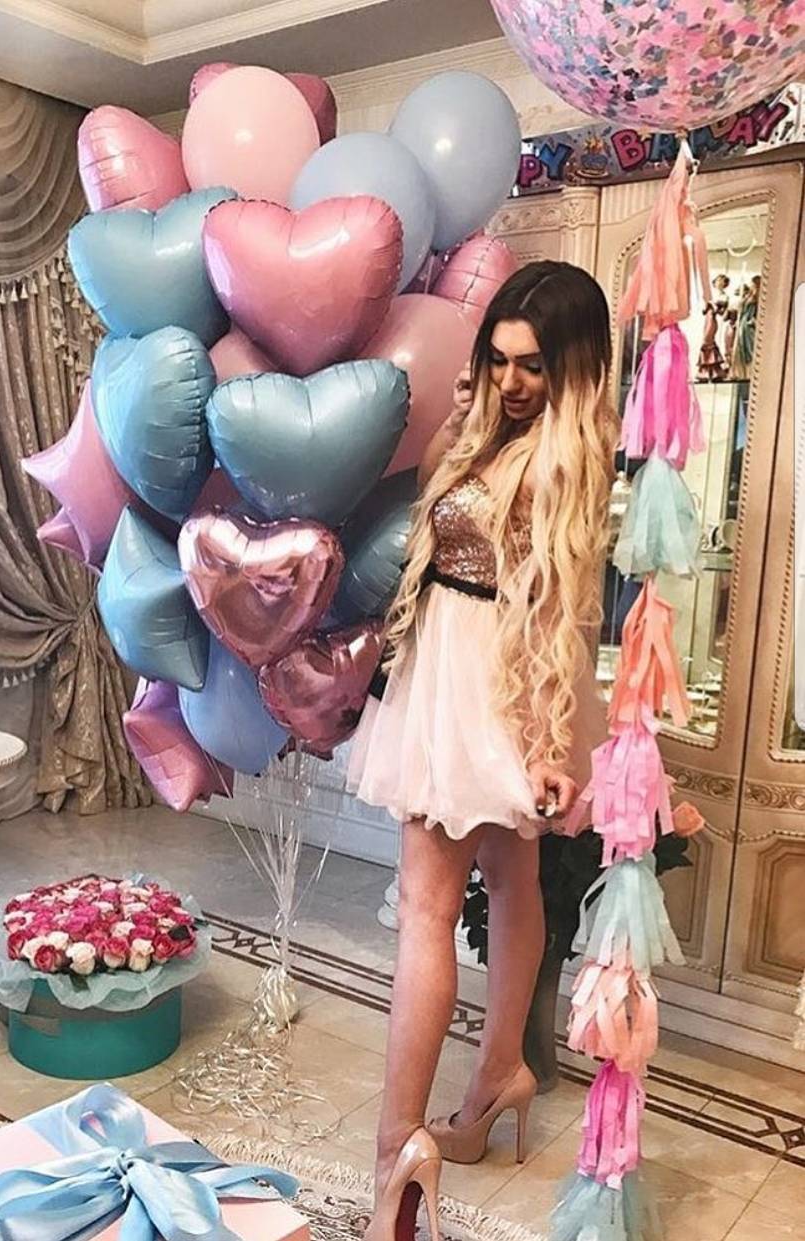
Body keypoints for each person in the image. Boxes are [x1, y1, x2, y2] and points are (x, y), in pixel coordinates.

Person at [346, 260, 618, 1241]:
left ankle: (396, 1149)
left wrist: (546, 740)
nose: (511, 381)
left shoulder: (559, 460)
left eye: (532, 365)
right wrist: (464, 421)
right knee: (511, 880)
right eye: (497, 360)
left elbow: (560, 616)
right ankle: (500, 1070)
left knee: (425, 907)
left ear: (572, 366)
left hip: (492, 683)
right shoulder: (499, 432)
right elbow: (438, 502)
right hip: (454, 665)